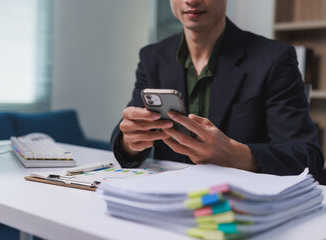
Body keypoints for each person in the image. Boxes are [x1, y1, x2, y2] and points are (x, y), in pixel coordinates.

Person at [110, 0, 324, 180]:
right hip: (168, 201)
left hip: (239, 204)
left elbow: (307, 157)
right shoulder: (152, 57)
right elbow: (128, 140)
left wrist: (237, 155)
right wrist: (130, 140)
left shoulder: (274, 58)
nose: (192, 0)